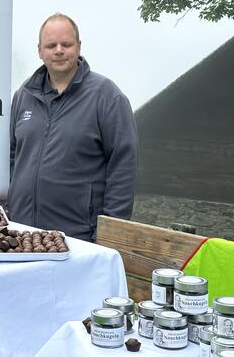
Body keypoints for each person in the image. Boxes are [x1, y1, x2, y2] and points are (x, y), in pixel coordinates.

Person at [8, 13, 137, 241]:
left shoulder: (106, 97)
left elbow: (123, 166)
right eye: (51, 45)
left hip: (79, 239)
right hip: (22, 236)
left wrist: (108, 237)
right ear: (40, 50)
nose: (58, 50)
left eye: (66, 44)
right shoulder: (23, 95)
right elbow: (11, 157)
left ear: (78, 47)